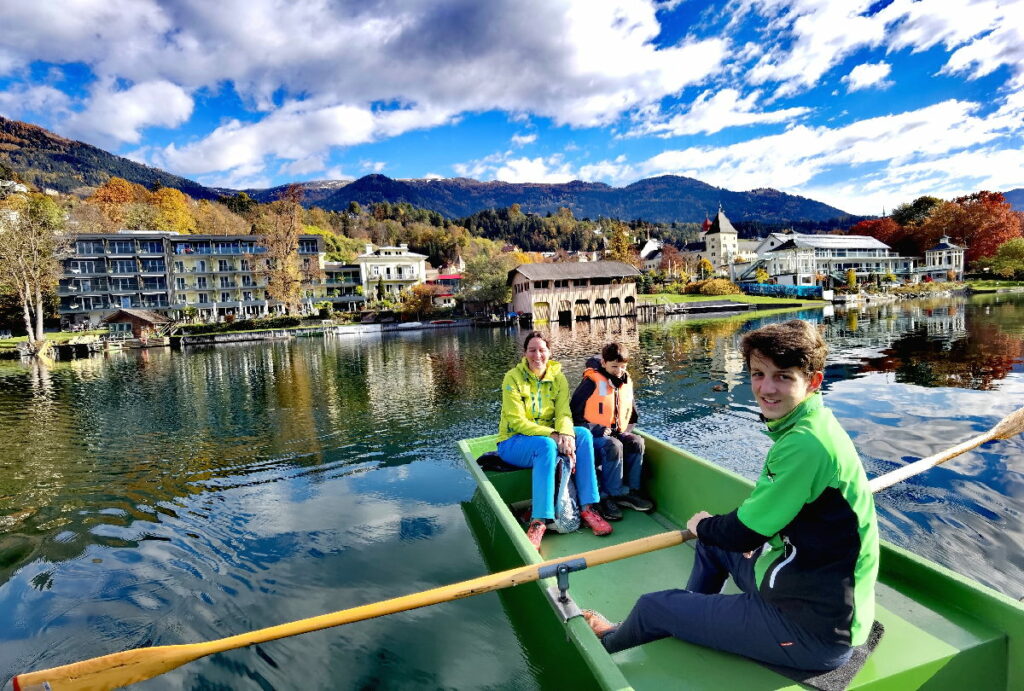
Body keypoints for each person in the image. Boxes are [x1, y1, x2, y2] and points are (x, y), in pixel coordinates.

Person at [584, 319, 879, 673]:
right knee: (713, 542)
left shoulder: (805, 443)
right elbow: (758, 522)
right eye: (758, 374)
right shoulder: (813, 425)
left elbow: (744, 532)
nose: (766, 388)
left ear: (813, 381)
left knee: (653, 607)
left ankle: (605, 644)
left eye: (783, 376)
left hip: (808, 631)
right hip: (802, 587)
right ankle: (691, 616)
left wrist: (703, 525)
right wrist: (714, 531)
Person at [497, 331, 613, 549]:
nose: (537, 355)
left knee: (584, 435)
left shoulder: (558, 378)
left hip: (550, 436)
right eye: (532, 350)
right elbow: (516, 421)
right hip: (513, 441)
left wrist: (567, 434)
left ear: (549, 352)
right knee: (547, 445)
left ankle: (588, 508)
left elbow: (563, 414)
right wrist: (554, 435)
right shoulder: (512, 378)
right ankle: (539, 521)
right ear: (525, 353)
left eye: (542, 350)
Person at [570, 342, 653, 522]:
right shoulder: (591, 382)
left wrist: (626, 432)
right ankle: (609, 496)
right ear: (604, 364)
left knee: (636, 442)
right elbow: (572, 414)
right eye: (614, 366)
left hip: (615, 433)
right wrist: (595, 429)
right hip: (593, 438)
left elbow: (632, 413)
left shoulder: (625, 381)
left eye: (622, 366)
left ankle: (630, 490)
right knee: (613, 445)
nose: (618, 370)